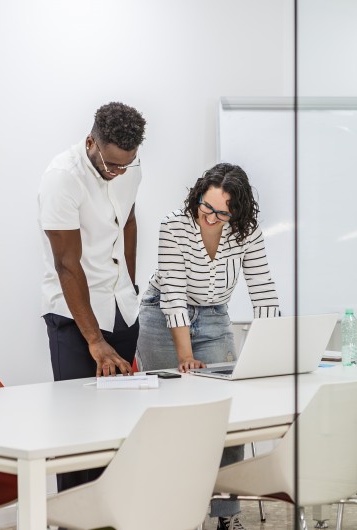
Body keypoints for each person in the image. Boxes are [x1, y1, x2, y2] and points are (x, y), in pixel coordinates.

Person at [136, 162, 279, 530]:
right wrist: (185, 356)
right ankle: (168, 514)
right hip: (160, 314)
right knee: (167, 413)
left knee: (224, 413)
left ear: (238, 211)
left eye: (221, 212)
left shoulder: (247, 233)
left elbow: (264, 292)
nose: (211, 216)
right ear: (198, 195)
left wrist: (271, 350)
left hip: (215, 316)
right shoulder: (174, 225)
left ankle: (225, 517)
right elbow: (174, 297)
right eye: (206, 206)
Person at [38, 101, 146, 493]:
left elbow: (129, 219)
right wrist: (95, 341)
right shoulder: (61, 179)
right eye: (112, 165)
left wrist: (129, 286)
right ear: (91, 143)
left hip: (121, 310)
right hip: (76, 319)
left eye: (127, 164)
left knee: (119, 431)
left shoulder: (130, 166)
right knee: (77, 435)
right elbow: (67, 263)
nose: (120, 172)